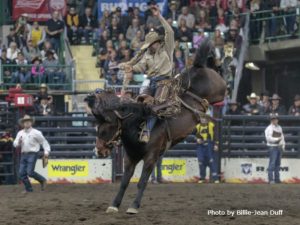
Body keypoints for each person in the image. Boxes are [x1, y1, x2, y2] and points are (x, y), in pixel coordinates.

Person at [120, 5, 174, 142]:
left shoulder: (167, 48)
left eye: (152, 44)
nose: (150, 47)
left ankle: (147, 131)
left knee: (157, 105)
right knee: (141, 103)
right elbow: (140, 66)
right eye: (149, 45)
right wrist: (131, 68)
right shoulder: (148, 55)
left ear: (157, 42)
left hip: (165, 81)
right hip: (152, 81)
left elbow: (170, 31)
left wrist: (159, 16)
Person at [13, 115, 50, 193]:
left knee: (29, 172)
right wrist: (18, 143)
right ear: (23, 123)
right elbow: (15, 143)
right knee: (21, 173)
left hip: (33, 153)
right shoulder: (20, 133)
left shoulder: (36, 132)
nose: (27, 123)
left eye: (28, 121)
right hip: (24, 154)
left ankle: (42, 180)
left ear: (31, 123)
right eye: (25, 122)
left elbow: (44, 142)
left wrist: (46, 152)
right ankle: (29, 189)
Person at [195, 117, 219, 183]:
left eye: (204, 118)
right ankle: (202, 178)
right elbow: (196, 136)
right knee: (201, 161)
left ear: (207, 119)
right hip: (200, 145)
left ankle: (215, 178)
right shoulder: (197, 126)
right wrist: (197, 139)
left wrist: (216, 144)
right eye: (202, 118)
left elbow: (216, 135)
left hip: (209, 144)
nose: (203, 120)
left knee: (211, 161)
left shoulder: (211, 125)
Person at [265, 113, 285, 184]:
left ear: (277, 120)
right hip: (272, 147)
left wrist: (283, 145)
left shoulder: (279, 127)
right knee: (273, 163)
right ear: (271, 120)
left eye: (275, 119)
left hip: (278, 147)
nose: (274, 120)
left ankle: (277, 179)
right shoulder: (269, 128)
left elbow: (282, 137)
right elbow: (268, 138)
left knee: (277, 164)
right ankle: (271, 179)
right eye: (273, 119)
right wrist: (277, 139)